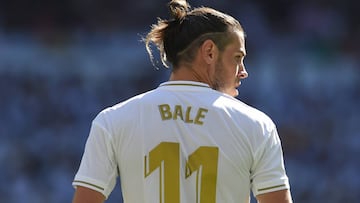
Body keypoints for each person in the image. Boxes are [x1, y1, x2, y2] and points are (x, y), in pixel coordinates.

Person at [72, 0, 293, 202]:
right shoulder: (257, 125)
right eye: (237, 58)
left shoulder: (113, 120)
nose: (243, 72)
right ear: (209, 52)